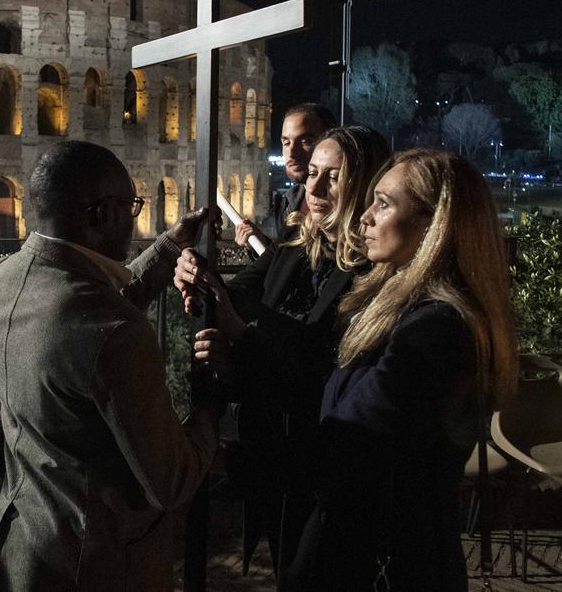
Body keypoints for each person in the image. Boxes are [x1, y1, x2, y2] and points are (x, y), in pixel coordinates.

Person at [221, 149, 518, 591]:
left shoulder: (435, 330)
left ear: (434, 223)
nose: (364, 218)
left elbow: (351, 446)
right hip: (365, 545)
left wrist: (222, 461)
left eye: (383, 203)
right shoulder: (399, 311)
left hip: (381, 560)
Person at [0, 140, 222, 592]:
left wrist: (167, 247)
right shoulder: (112, 332)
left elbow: (79, 330)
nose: (133, 217)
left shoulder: (3, 278)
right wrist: (212, 399)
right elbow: (172, 480)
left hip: (24, 546)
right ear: (103, 215)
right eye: (131, 205)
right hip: (99, 564)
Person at [175, 125, 390, 573]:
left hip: (321, 460)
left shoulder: (376, 272)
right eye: (312, 173)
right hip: (270, 448)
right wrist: (193, 276)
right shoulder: (293, 248)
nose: (312, 188)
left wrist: (240, 334)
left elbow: (331, 362)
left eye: (333, 177)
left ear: (366, 186)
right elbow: (234, 297)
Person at [234, 103, 336, 251]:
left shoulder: (341, 205)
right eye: (286, 142)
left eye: (305, 141)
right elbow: (290, 266)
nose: (292, 153)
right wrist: (260, 244)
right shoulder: (287, 204)